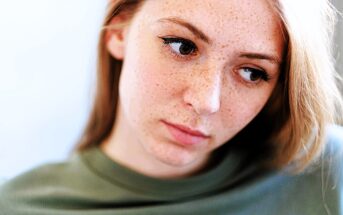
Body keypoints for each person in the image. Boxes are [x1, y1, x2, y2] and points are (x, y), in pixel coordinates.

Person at [1, 0, 343, 214]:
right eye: (182, 46)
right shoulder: (18, 207)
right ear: (118, 31)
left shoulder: (328, 174)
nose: (206, 101)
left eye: (252, 72)